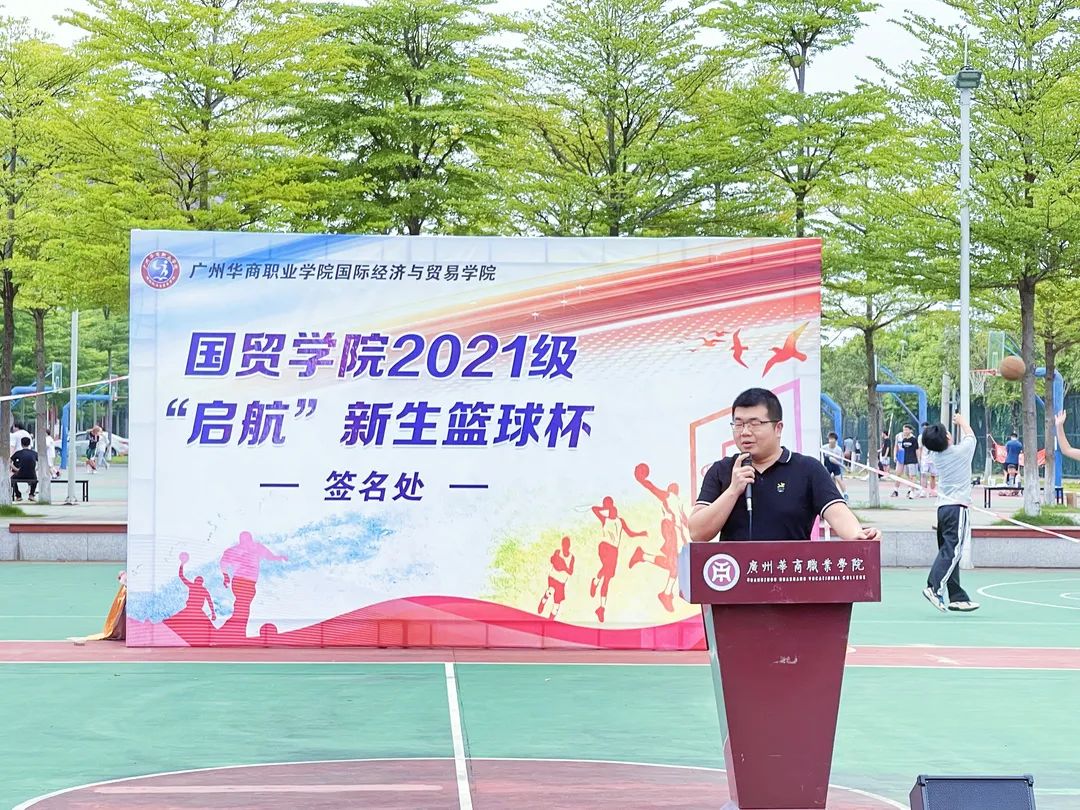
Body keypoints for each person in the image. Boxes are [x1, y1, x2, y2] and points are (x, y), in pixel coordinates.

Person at [688, 388, 880, 543]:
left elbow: (838, 514)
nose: (745, 432)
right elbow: (697, 533)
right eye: (738, 424)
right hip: (735, 577)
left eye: (755, 424)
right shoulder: (721, 470)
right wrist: (733, 490)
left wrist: (858, 535)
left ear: (778, 428)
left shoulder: (808, 469)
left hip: (791, 574)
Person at [920, 414, 979, 612]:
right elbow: (971, 436)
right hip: (957, 509)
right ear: (947, 437)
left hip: (943, 509)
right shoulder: (961, 452)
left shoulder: (936, 456)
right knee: (953, 552)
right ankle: (934, 588)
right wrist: (962, 422)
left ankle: (957, 597)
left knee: (949, 551)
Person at [537, 536, 575, 620]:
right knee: (550, 590)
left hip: (561, 581)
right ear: (562, 545)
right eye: (564, 545)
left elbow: (571, 572)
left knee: (557, 603)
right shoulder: (558, 552)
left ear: (569, 546)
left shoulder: (571, 557)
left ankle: (551, 619)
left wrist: (564, 567)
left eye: (567, 545)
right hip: (553, 577)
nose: (565, 547)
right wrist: (555, 560)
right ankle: (543, 601)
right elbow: (552, 560)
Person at [821, 432, 849, 501]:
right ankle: (830, 494)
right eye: (829, 439)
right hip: (827, 465)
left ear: (835, 440)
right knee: (828, 481)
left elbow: (838, 460)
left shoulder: (838, 449)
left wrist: (843, 467)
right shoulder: (824, 447)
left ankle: (845, 494)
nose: (830, 441)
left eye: (832, 439)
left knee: (838, 479)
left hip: (835, 465)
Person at [893, 424, 918, 498]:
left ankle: (910, 490)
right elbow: (896, 446)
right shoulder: (898, 436)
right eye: (904, 429)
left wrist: (917, 459)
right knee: (898, 473)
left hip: (909, 456)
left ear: (910, 430)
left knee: (910, 475)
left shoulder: (913, 438)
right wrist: (895, 455)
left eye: (906, 429)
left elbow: (916, 449)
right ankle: (895, 490)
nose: (905, 431)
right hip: (901, 455)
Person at [10, 436, 38, 501]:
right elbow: (41, 462)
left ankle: (18, 496)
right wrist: (35, 469)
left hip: (20, 474)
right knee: (35, 480)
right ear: (29, 444)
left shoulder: (18, 453)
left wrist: (16, 469)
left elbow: (9, 462)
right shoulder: (34, 453)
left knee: (12, 479)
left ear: (21, 444)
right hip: (31, 475)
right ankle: (31, 495)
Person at [917, 421, 937, 497]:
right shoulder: (921, 437)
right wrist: (919, 458)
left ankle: (932, 491)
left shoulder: (934, 436)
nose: (925, 430)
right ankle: (923, 491)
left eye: (926, 428)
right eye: (924, 429)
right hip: (924, 459)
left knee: (933, 475)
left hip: (933, 458)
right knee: (923, 475)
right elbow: (920, 448)